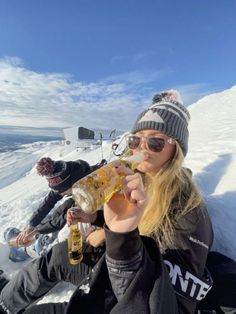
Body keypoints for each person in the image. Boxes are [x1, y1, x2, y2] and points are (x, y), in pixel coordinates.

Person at [0, 90, 213, 314]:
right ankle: (5, 302)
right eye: (135, 139)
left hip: (127, 296)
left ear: (176, 151)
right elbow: (127, 221)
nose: (141, 148)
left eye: (155, 142)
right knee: (57, 256)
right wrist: (98, 219)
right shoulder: (138, 177)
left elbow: (171, 305)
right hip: (108, 262)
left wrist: (119, 237)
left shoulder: (188, 211)